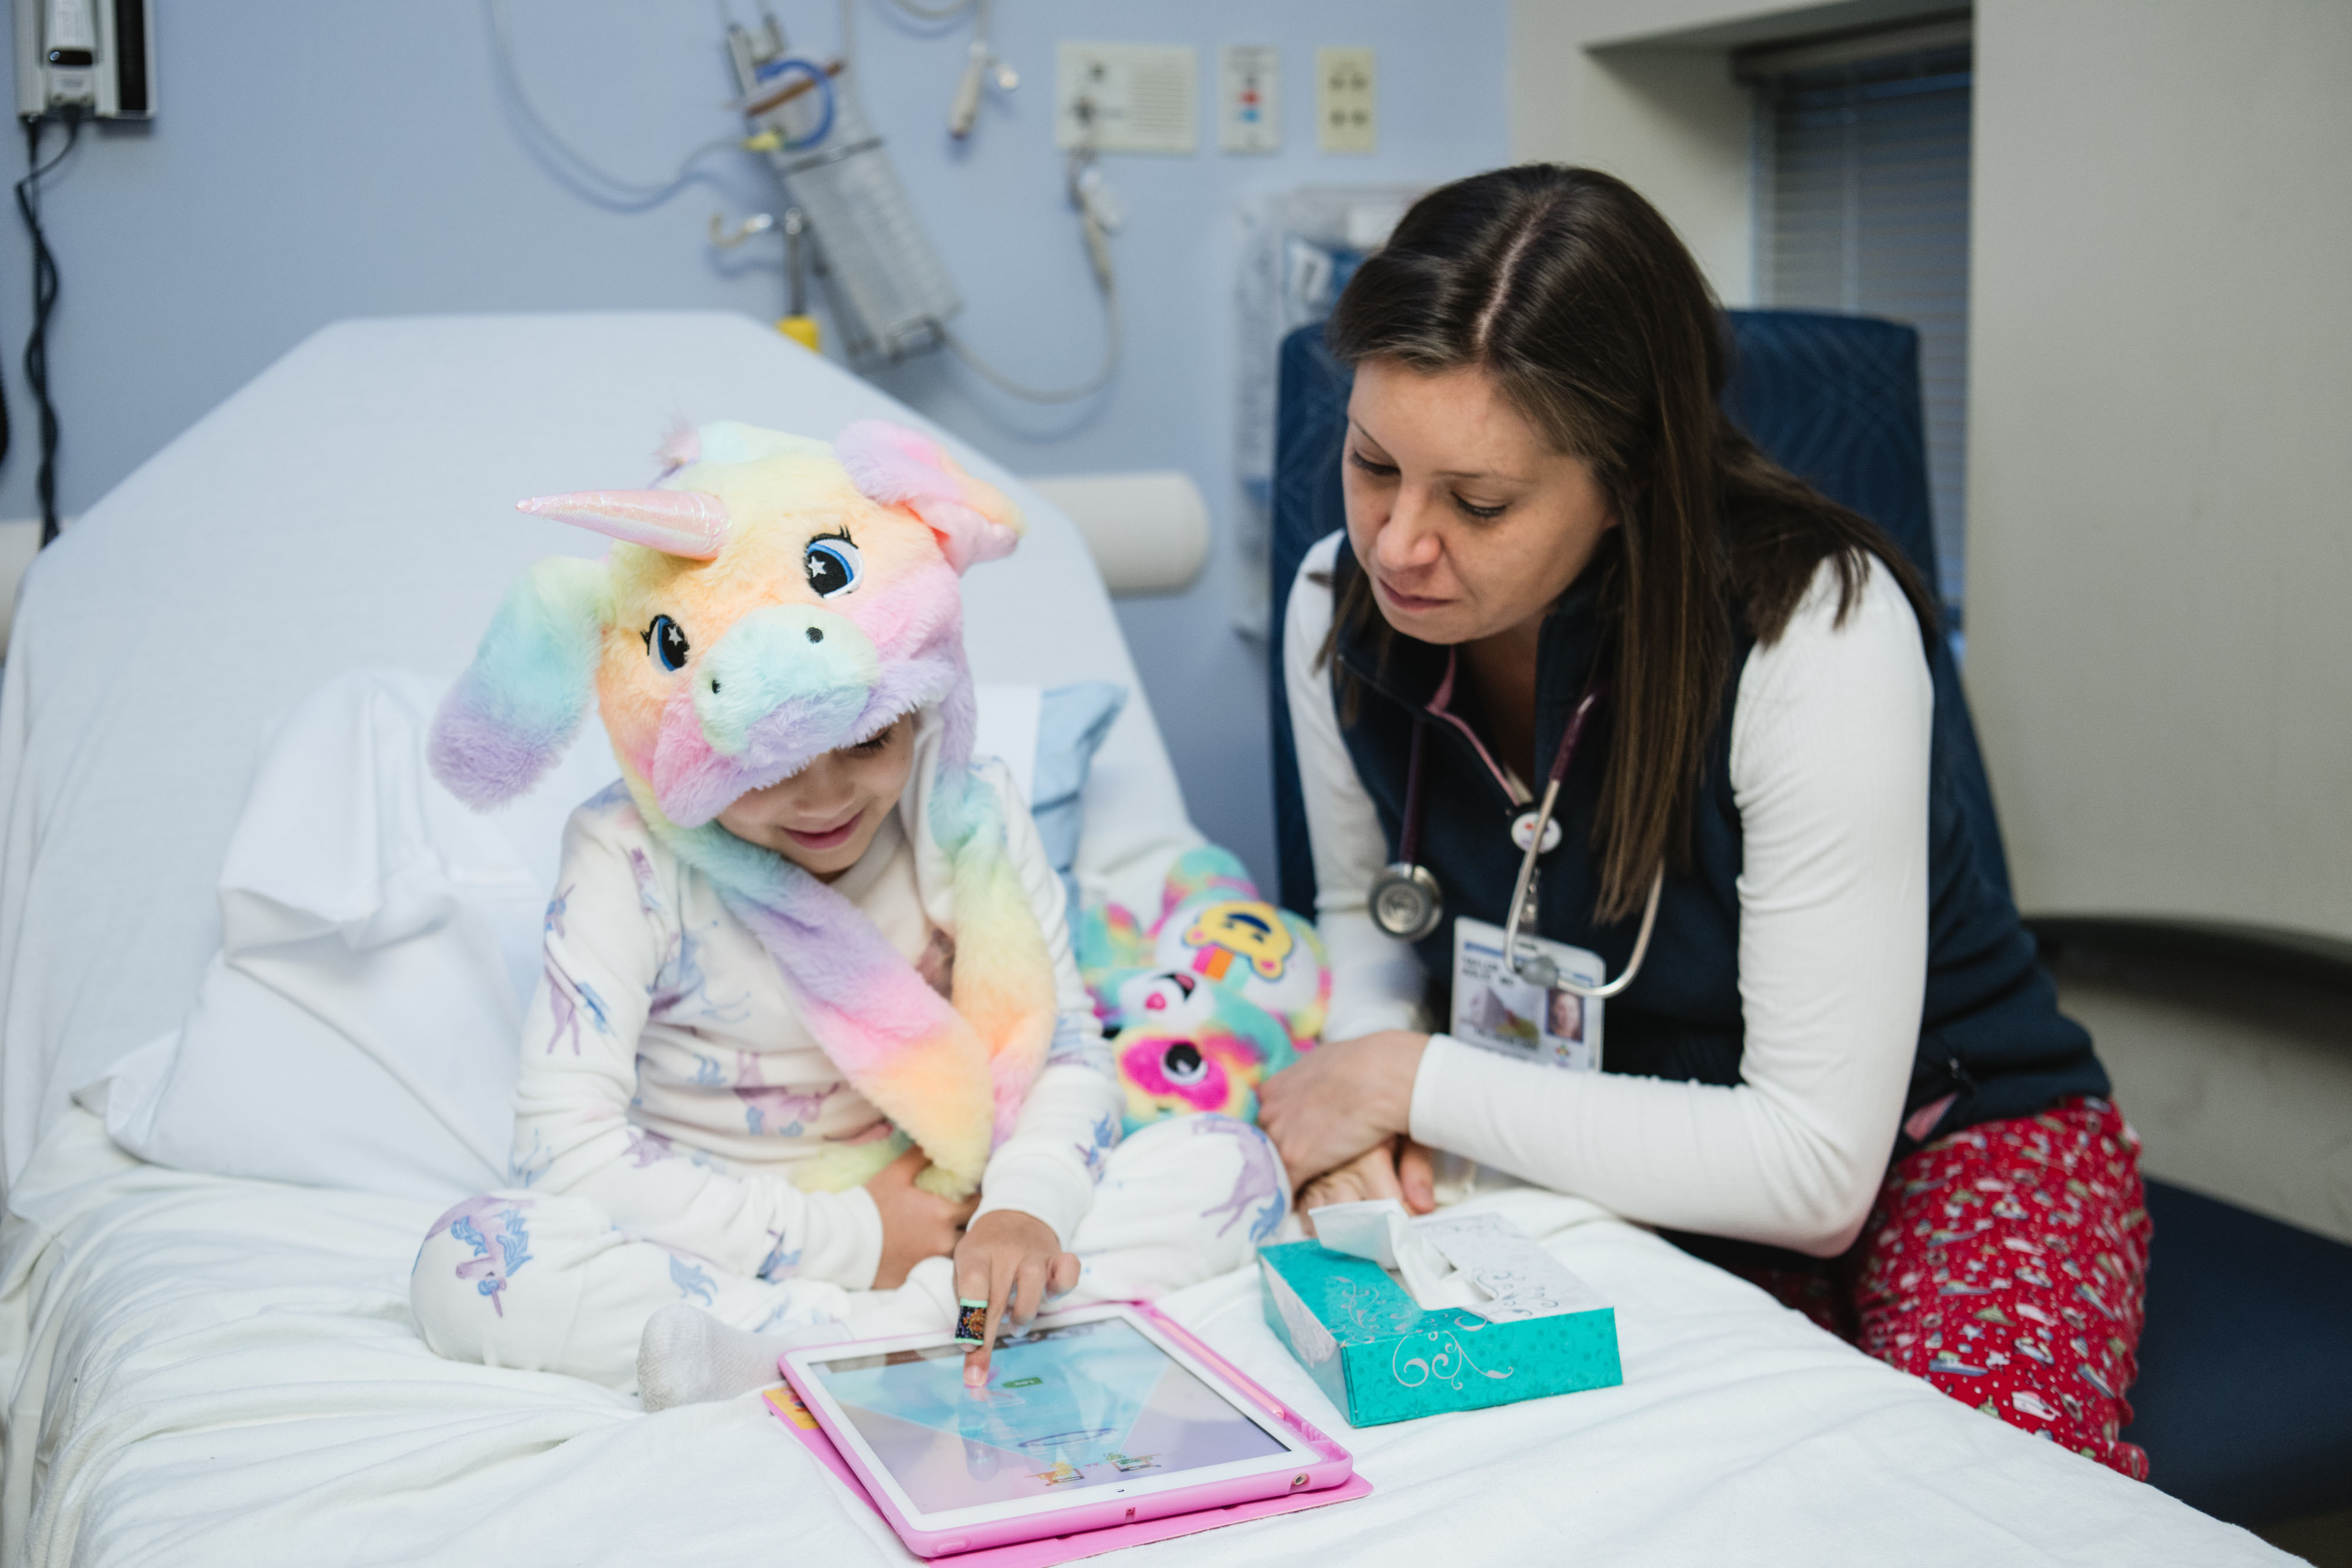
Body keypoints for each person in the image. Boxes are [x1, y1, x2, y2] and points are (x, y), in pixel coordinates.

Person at [1258, 166, 2151, 1477]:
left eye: (1479, 502)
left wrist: (1405, 1082)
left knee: (1958, 1497)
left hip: (1931, 1141)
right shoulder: (1333, 607)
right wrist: (1360, 1120)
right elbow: (1367, 915)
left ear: (1624, 482)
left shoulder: (1815, 625)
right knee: (1614, 1485)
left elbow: (1808, 1167)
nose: (1398, 544)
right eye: (1371, 464)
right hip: (1590, 1143)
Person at [411, 420, 1280, 1409]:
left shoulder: (971, 811)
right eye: (769, 769)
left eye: (867, 744)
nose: (824, 802)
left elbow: (1066, 1051)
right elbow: (563, 1153)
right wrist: (861, 1239)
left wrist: (1022, 1212)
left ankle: (863, 1341)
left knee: (1234, 1165)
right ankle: (893, 1336)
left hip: (956, 1221)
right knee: (471, 1264)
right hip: (725, 1242)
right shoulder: (626, 856)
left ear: (921, 701)